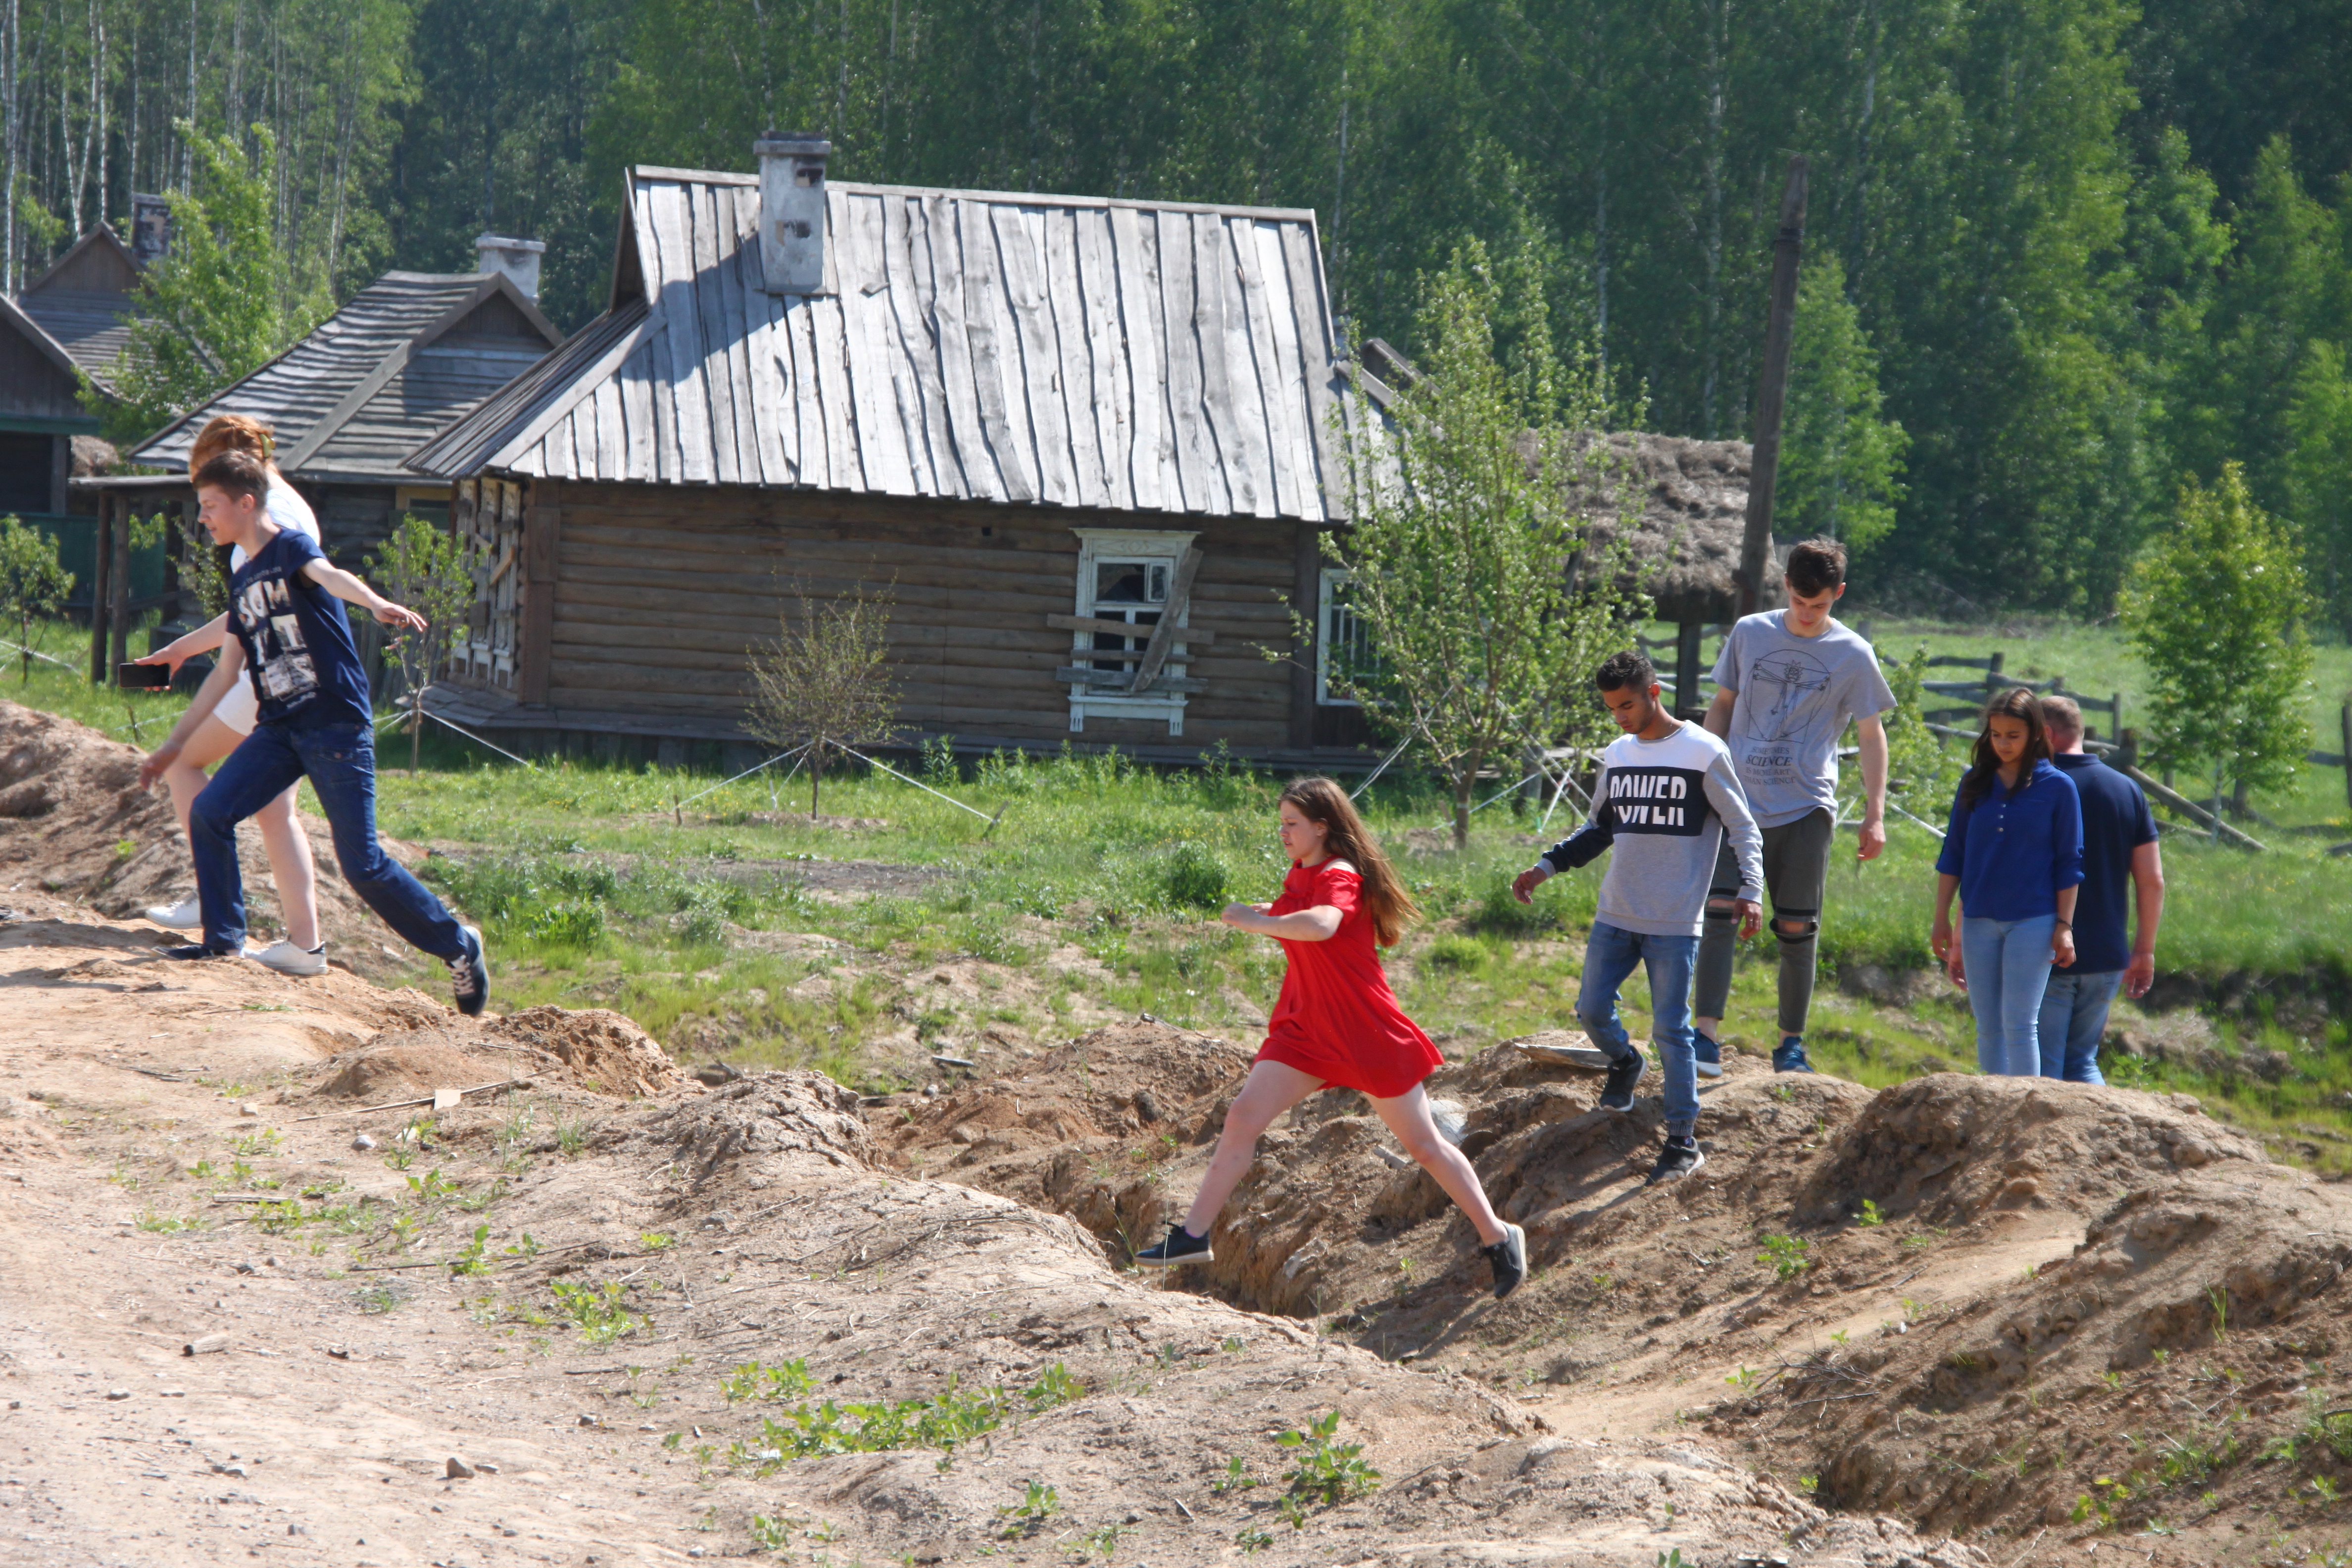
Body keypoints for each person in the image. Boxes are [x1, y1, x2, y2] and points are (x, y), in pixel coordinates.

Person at [1132, 777, 1527, 1298]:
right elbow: (1301, 913)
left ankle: (1498, 1236)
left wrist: (1254, 921)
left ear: (1323, 826)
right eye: (1281, 823)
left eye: (1293, 824)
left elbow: (1321, 925)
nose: (1283, 833)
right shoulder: (1303, 870)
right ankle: (1192, 1235)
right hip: (1307, 1030)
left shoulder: (1339, 873)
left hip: (1362, 1031)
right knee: (1243, 1119)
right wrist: (1268, 913)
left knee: (1426, 1146)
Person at [135, 450, 490, 1015]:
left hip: (334, 725)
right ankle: (222, 941)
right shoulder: (243, 576)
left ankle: (458, 945)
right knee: (210, 812)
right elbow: (227, 672)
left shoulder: (290, 548)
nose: (202, 518)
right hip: (281, 729)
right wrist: (174, 746)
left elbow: (330, 575)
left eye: (210, 507)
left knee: (363, 865)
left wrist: (375, 603)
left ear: (246, 504)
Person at [1511, 650, 1765, 1185]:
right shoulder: (1619, 754)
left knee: (1673, 1031)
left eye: (1627, 705)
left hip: (1674, 921)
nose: (1620, 717)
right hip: (1615, 913)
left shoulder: (1703, 752)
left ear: (1655, 692)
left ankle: (1681, 1139)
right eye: (1611, 709)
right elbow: (1599, 828)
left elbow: (1743, 827)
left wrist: (1751, 888)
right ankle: (1626, 1061)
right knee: (1591, 1008)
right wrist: (1544, 867)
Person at [135, 415, 326, 977]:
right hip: (286, 677)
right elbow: (250, 605)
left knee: (186, 762)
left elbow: (263, 605)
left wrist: (185, 651)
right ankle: (305, 945)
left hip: (265, 678)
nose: (206, 509)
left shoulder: (275, 516)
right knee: (276, 811)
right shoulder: (286, 503)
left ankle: (212, 898)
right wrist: (183, 650)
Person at [1695, 538, 1895, 1075]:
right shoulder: (1750, 633)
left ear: (1839, 595)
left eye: (1821, 606)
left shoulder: (1854, 654)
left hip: (1805, 808)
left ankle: (1790, 1045)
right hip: (1737, 801)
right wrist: (1701, 777)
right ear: (1786, 586)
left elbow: (1872, 735)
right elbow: (1722, 706)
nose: (1808, 616)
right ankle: (1705, 1038)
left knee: (1796, 928)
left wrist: (1875, 812)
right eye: (1800, 603)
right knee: (1718, 914)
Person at [1930, 688, 2082, 1078]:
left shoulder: (2059, 787)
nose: (2003, 743)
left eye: (2013, 735)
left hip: (2033, 919)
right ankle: (1989, 1113)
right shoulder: (1974, 783)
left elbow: (2069, 864)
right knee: (1988, 1026)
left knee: (2019, 1025)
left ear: (2035, 734)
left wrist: (2064, 927)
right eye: (1996, 734)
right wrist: (1942, 919)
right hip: (1979, 917)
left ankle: (2023, 1114)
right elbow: (1954, 855)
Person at [2036, 696, 2164, 1082]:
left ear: (2045, 734)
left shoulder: (2038, 787)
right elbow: (2152, 881)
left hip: (2048, 946)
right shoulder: (2126, 790)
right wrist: (2143, 949)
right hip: (2108, 953)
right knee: (2082, 1061)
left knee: (2046, 1069)